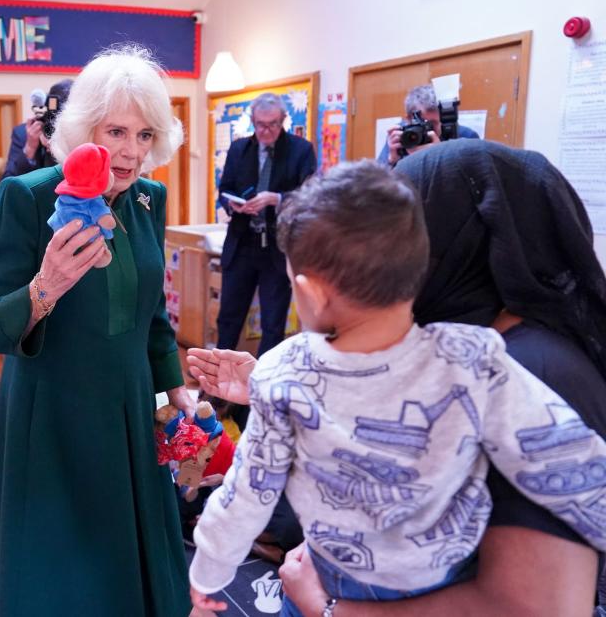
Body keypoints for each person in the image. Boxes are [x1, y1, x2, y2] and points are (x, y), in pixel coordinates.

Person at [186, 159, 606, 614]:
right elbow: (565, 456)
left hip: (343, 577)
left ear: (307, 294)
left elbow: (244, 496)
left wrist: (209, 570)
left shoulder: (283, 369)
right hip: (438, 571)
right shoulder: (475, 355)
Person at [0, 45, 195, 616]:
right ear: (83, 128)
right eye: (116, 131)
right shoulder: (28, 195)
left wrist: (176, 391)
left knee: (134, 560)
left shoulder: (150, 199)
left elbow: (150, 314)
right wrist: (44, 287)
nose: (130, 151)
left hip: (128, 404)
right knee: (66, 574)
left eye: (146, 135)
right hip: (54, 412)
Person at [216, 92, 317, 357]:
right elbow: (224, 188)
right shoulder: (239, 149)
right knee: (228, 317)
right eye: (260, 124)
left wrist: (277, 199)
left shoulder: (300, 150)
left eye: (272, 124)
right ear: (253, 121)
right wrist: (233, 205)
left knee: (273, 323)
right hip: (242, 243)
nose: (266, 131)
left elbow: (311, 196)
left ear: (283, 119)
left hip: (277, 246)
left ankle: (262, 385)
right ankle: (214, 384)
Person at [377, 84, 480, 168]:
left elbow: (474, 183)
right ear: (407, 119)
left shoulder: (465, 136)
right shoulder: (401, 136)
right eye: (423, 124)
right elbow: (381, 185)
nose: (428, 131)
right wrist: (391, 160)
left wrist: (440, 154)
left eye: (433, 124)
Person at [3, 79, 73, 178]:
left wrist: (62, 149)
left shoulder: (85, 132)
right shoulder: (24, 133)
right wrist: (30, 148)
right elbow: (8, 182)